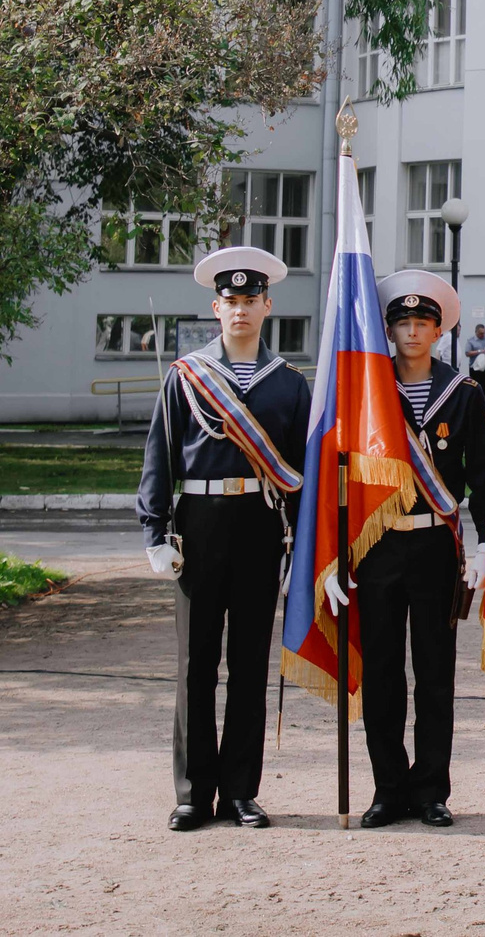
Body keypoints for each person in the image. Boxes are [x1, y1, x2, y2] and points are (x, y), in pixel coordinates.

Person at [138, 245, 309, 833]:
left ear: (268, 306)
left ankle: (240, 791)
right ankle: (192, 791)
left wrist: (302, 553)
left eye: (250, 300)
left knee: (248, 667)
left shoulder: (288, 384)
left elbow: (299, 473)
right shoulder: (186, 377)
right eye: (231, 301)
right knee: (196, 666)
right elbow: (159, 458)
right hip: (199, 530)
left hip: (260, 529)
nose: (240, 310)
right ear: (216, 307)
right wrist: (154, 531)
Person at [356, 269, 485, 829]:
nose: (412, 332)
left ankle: (432, 788)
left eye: (423, 323)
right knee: (383, 672)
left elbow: (481, 477)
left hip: (436, 545)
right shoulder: (366, 388)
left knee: (434, 673)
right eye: (403, 322)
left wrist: (482, 544)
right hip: (378, 545)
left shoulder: (463, 394)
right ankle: (388, 789)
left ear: (440, 330)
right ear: (388, 330)